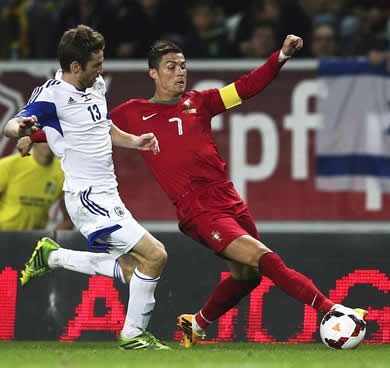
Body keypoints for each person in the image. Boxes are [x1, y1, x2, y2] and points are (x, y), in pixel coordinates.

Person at [108, 35, 367, 348]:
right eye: (171, 67)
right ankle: (331, 311)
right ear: (154, 73)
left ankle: (195, 324)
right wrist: (34, 135)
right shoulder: (134, 111)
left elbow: (247, 86)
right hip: (199, 209)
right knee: (265, 259)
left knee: (248, 276)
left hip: (228, 199)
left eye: (183, 66)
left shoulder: (200, 102)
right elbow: (86, 126)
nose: (180, 72)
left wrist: (281, 56)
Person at [3, 25, 169, 351]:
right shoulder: (51, 95)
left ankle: (54, 256)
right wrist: (19, 129)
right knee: (156, 255)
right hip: (87, 197)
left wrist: (135, 141)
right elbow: (14, 124)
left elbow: (103, 127)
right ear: (75, 66)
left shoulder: (96, 85)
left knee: (134, 270)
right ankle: (133, 336)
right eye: (96, 64)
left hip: (108, 192)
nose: (101, 69)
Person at [0, 142, 73, 231]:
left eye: (52, 138)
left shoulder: (64, 173)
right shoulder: (8, 165)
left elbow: (69, 220)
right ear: (32, 141)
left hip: (36, 238)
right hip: (4, 234)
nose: (48, 143)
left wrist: (54, 236)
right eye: (43, 139)